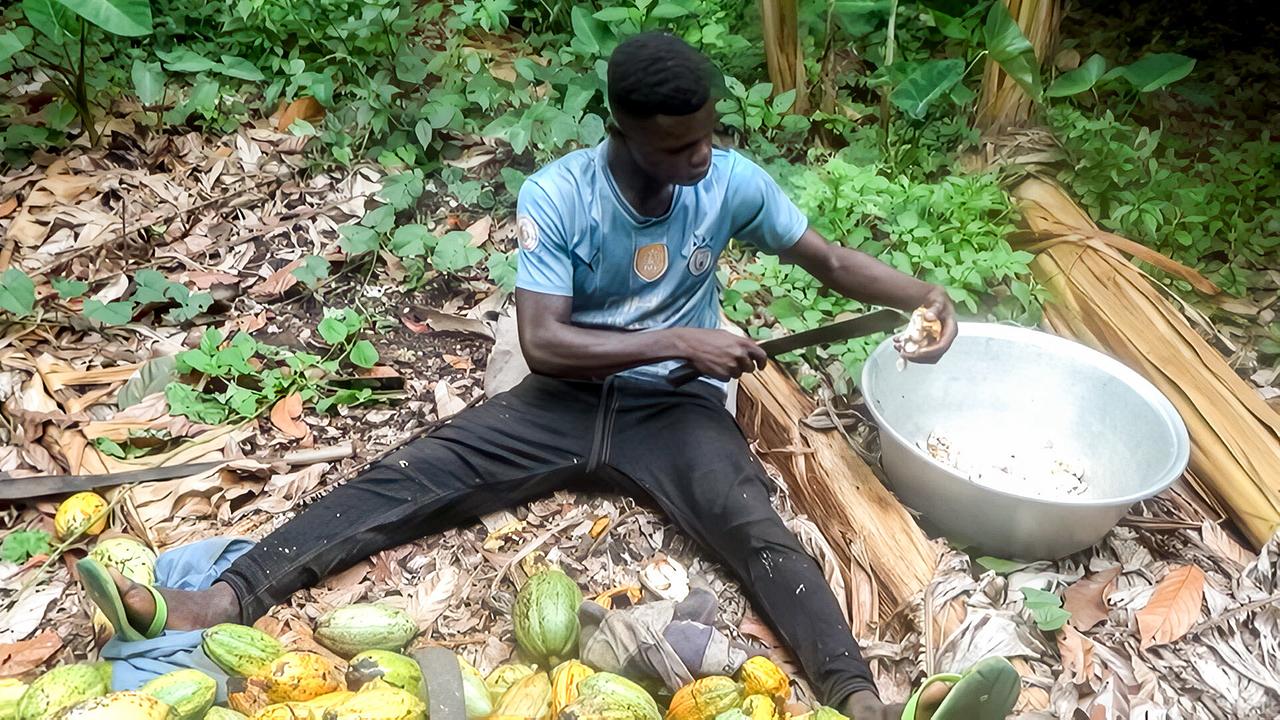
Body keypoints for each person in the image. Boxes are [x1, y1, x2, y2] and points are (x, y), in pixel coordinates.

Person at [78, 32, 1019, 720]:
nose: (702, 159)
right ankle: (218, 599)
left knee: (753, 528)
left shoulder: (727, 180)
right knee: (406, 480)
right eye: (678, 147)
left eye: (708, 137)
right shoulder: (560, 195)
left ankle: (862, 701)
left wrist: (923, 294)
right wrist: (684, 340)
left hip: (674, 411)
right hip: (563, 399)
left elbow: (831, 262)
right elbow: (544, 343)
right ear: (624, 131)